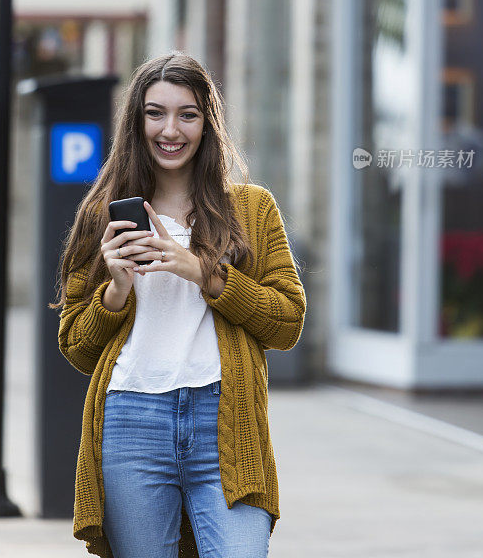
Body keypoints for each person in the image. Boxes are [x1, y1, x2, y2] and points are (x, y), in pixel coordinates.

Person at [52, 51, 306, 558]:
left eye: (187, 114)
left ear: (207, 124)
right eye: (155, 113)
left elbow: (287, 322)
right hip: (132, 420)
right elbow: (77, 347)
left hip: (224, 420)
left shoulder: (251, 209)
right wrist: (116, 289)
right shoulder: (103, 215)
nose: (171, 129)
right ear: (136, 121)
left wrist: (204, 273)